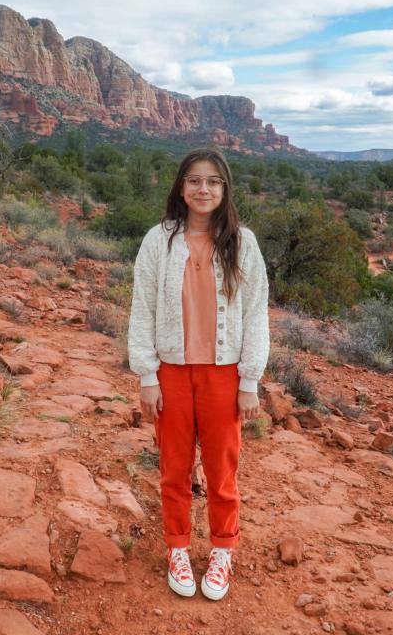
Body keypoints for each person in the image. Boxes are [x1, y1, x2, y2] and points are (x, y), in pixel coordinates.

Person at [127, 147, 270, 601]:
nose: (203, 189)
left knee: (221, 469)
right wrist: (146, 374)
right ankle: (178, 549)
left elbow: (255, 314)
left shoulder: (243, 243)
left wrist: (250, 381)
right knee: (173, 467)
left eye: (212, 181)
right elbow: (142, 307)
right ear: (181, 187)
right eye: (194, 180)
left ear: (224, 188)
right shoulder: (159, 240)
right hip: (171, 370)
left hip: (224, 375)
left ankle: (223, 550)